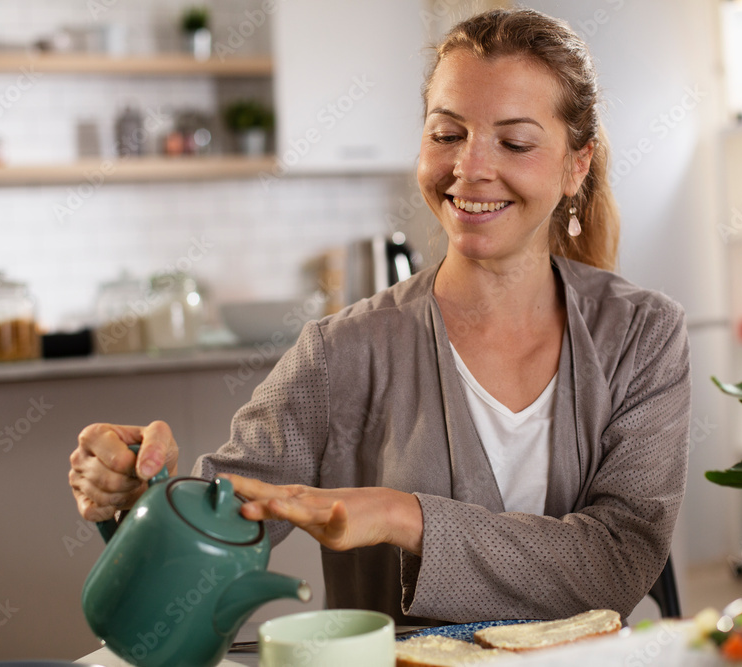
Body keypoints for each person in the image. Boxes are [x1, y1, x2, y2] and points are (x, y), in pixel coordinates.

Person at [69, 8, 691, 625]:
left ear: (574, 165)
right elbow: (215, 532)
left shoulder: (642, 336)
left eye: (515, 142)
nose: (470, 168)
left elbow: (618, 561)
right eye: (447, 134)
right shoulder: (341, 353)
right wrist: (132, 495)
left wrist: (403, 516)